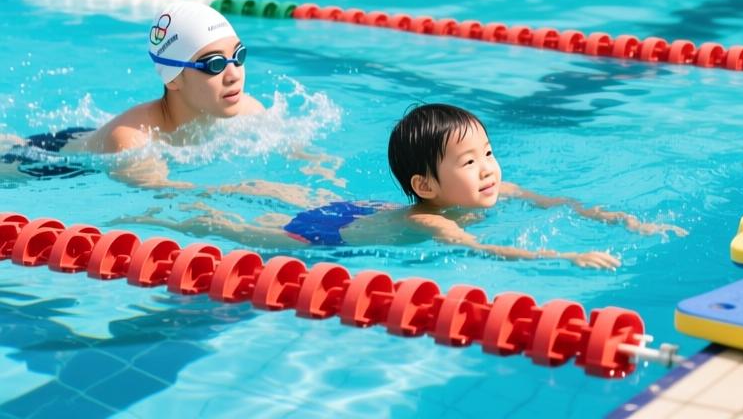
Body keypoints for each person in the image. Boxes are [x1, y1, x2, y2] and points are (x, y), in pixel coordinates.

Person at [119, 103, 686, 269]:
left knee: (281, 191)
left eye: (487, 153)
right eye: (470, 162)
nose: (489, 168)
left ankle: (239, 185)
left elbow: (560, 201)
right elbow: (487, 250)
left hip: (361, 209)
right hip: (324, 236)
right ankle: (166, 218)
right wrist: (566, 256)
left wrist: (621, 220)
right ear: (426, 184)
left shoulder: (491, 189)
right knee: (243, 228)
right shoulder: (431, 220)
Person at [1, 2, 265, 187]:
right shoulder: (130, 141)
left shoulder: (248, 109)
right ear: (173, 78)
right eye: (215, 64)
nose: (234, 74)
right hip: (50, 163)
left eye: (238, 56)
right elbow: (172, 199)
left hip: (87, 136)